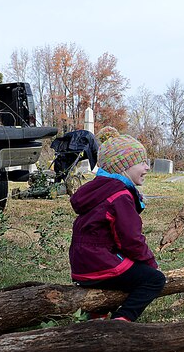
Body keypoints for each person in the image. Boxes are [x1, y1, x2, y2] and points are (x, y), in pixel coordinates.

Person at [68, 134, 166, 322]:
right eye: (141, 162)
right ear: (123, 167)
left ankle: (97, 314)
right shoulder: (119, 195)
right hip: (101, 263)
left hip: (82, 264)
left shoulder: (100, 189)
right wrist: (151, 263)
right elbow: (131, 239)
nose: (147, 167)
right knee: (154, 279)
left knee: (126, 273)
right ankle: (122, 321)